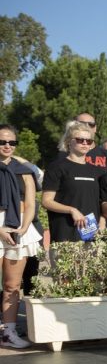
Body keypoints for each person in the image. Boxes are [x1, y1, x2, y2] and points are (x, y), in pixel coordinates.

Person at [0, 125, 41, 349]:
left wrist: (24, 228)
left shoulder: (24, 170)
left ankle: (9, 332)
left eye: (11, 142)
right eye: (2, 142)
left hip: (20, 226)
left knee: (12, 285)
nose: (7, 146)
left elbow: (32, 203)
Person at [41, 120, 106, 245]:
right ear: (68, 141)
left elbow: (101, 202)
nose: (85, 143)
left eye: (89, 141)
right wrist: (72, 210)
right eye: (80, 140)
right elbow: (46, 201)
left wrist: (102, 222)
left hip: (92, 237)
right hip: (65, 236)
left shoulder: (98, 171)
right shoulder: (56, 167)